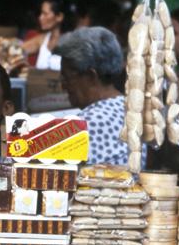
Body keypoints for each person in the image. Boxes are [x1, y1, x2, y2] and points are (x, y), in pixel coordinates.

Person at [53, 26, 129, 165]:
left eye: (67, 78)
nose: (64, 86)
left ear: (91, 76)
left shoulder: (87, 123)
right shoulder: (129, 110)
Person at [22, 0, 73, 70]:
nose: (40, 17)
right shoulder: (42, 39)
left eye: (45, 14)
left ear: (59, 17)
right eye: (41, 13)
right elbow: (18, 50)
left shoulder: (72, 42)